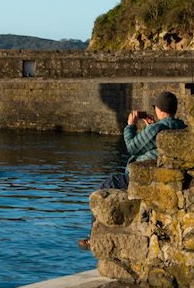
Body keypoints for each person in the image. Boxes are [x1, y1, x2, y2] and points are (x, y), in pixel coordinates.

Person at [80, 91, 186, 248]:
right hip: (161, 174)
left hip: (142, 177)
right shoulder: (181, 126)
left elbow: (132, 147)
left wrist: (131, 125)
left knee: (105, 188)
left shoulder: (158, 128)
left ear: (160, 110)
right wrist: (149, 128)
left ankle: (93, 236)